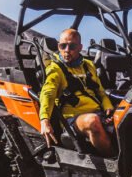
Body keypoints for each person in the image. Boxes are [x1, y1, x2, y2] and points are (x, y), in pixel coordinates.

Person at [39, 29, 115, 157]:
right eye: (63, 46)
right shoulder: (55, 68)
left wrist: (108, 106)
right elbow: (47, 93)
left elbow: (100, 91)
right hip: (72, 119)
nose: (67, 50)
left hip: (97, 111)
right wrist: (44, 120)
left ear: (80, 47)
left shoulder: (88, 65)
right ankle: (117, 165)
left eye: (72, 46)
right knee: (92, 121)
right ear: (59, 46)